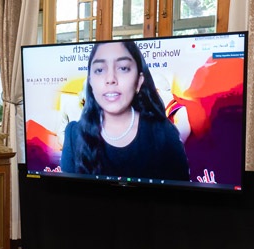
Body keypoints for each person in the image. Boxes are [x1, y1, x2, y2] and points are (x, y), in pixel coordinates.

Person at [60, 41, 190, 181]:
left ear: (139, 81)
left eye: (122, 68)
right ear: (90, 82)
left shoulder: (164, 133)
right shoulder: (74, 135)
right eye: (99, 69)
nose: (110, 79)